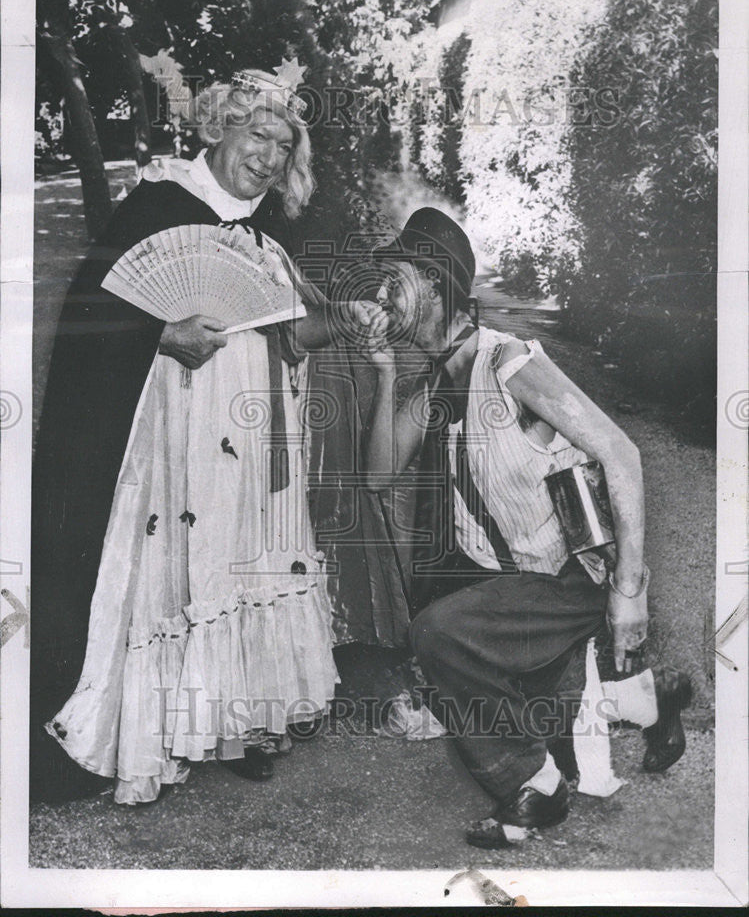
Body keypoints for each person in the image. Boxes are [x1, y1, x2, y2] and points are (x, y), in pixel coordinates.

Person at [31, 64, 381, 805]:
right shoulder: (157, 205)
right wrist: (162, 332)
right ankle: (151, 732)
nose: (269, 157)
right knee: (172, 568)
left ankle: (228, 723)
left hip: (246, 437)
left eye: (284, 147)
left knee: (228, 559)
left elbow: (291, 335)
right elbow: (90, 318)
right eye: (259, 135)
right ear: (220, 125)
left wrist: (347, 317)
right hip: (167, 433)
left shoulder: (261, 237)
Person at [362, 207, 692, 849]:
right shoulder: (430, 384)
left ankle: (535, 782)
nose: (380, 294)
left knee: (439, 634)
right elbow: (378, 476)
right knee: (550, 704)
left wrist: (629, 595)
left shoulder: (510, 364)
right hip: (514, 579)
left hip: (571, 575)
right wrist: (380, 370)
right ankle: (658, 699)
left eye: (394, 277)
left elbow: (620, 452)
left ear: (434, 282)